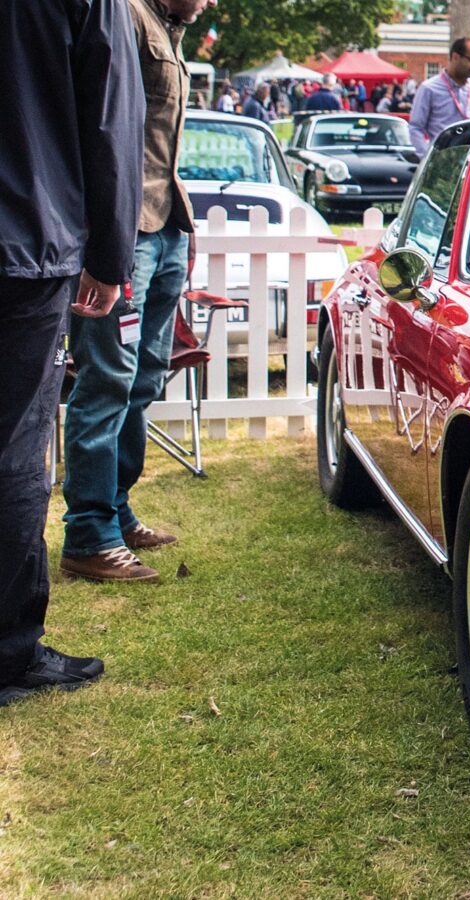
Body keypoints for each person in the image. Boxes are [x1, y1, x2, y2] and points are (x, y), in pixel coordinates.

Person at [0, 0, 143, 705]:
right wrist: (113, 256)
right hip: (25, 243)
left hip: (31, 235)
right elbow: (111, 118)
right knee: (18, 452)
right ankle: (8, 653)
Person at [60, 0, 215, 586]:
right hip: (123, 234)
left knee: (146, 375)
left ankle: (116, 511)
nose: (211, 4)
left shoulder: (168, 30)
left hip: (165, 227)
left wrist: (185, 225)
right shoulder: (121, 14)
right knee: (105, 380)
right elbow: (98, 129)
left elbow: (155, 146)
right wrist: (102, 239)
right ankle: (88, 533)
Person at [409, 37, 470, 156]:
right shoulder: (429, 88)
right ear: (455, 57)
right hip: (442, 160)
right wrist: (426, 158)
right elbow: (416, 127)